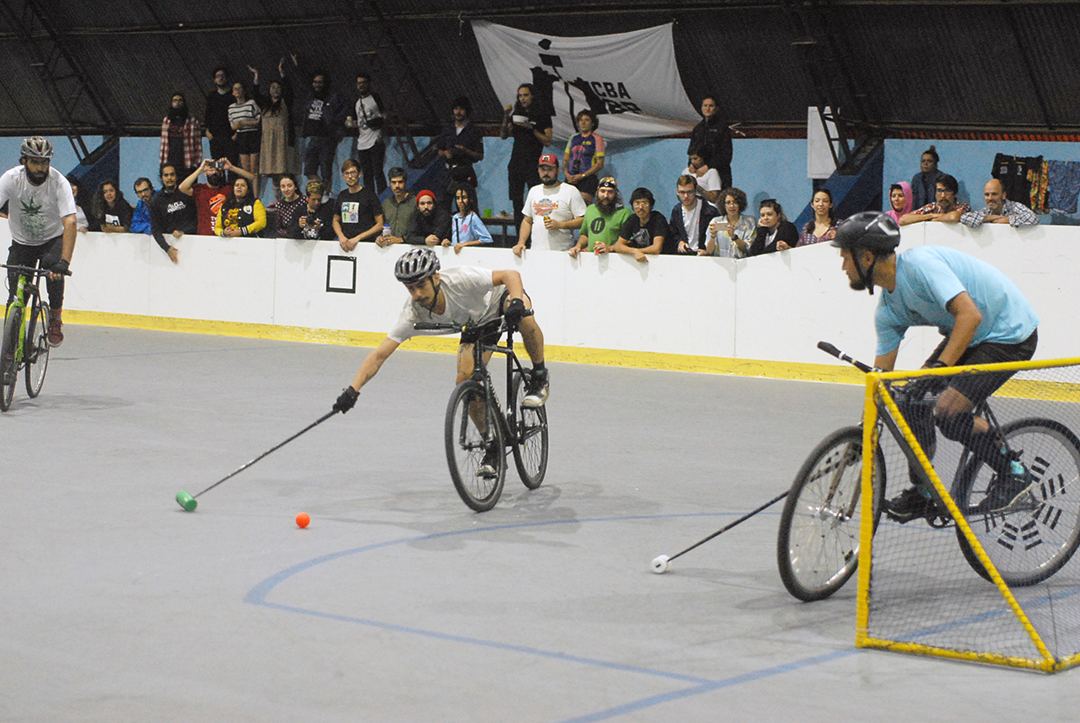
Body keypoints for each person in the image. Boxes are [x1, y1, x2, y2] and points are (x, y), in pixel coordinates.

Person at [832, 211, 1040, 521]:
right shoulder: (888, 311)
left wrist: (939, 367)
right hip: (970, 336)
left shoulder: (921, 266)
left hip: (1007, 332)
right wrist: (863, 432)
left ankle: (1015, 474)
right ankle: (924, 491)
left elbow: (970, 316)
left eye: (846, 257)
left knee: (949, 413)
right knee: (909, 401)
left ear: (867, 256)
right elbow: (880, 382)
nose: (842, 266)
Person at [332, 247, 551, 473]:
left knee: (524, 311)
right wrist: (353, 390)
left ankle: (539, 376)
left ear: (435, 277)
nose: (417, 293)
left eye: (421, 285)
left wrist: (515, 301)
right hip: (476, 323)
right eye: (410, 288)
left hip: (499, 300)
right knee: (466, 381)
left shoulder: (460, 279)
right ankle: (492, 444)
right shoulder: (412, 314)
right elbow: (379, 355)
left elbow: (510, 275)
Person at [0, 137, 77, 346]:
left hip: (51, 240)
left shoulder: (59, 182)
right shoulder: (10, 179)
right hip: (22, 243)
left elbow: (70, 222)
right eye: (35, 162)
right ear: (24, 161)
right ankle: (10, 347)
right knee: (16, 298)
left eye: (44, 162)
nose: (40, 167)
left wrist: (65, 263)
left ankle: (55, 318)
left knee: (54, 271)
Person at [500, 83, 553, 228]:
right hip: (516, 163)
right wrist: (506, 116)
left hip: (533, 164)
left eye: (525, 95)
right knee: (517, 202)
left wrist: (532, 128)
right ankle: (520, 237)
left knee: (536, 200)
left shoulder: (542, 115)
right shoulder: (516, 114)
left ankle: (538, 231)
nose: (522, 98)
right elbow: (503, 135)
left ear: (533, 96)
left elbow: (548, 140)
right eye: (520, 95)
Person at [513, 154, 586, 256]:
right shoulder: (534, 191)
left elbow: (583, 221)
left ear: (558, 170)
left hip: (562, 252)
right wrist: (521, 243)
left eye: (550, 169)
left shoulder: (570, 191)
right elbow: (527, 220)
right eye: (542, 170)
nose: (546, 173)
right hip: (536, 251)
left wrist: (560, 225)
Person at [251, 60, 298, 202]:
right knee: (272, 173)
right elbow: (255, 94)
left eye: (278, 87)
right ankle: (277, 200)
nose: (275, 90)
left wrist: (281, 72)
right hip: (268, 142)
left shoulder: (285, 102)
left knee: (283, 171)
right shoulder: (264, 105)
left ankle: (288, 199)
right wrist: (256, 76)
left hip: (282, 142)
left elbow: (290, 90)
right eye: (273, 87)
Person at [296, 65, 347, 194]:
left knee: (326, 172)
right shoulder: (310, 96)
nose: (317, 85)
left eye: (320, 83)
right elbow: (302, 84)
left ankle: (326, 196)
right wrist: (297, 65)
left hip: (327, 138)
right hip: (313, 138)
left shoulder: (333, 97)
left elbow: (345, 109)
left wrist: (335, 124)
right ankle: (320, 193)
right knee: (309, 170)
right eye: (315, 82)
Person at [180, 158, 256, 236]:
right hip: (205, 236)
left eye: (217, 170)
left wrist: (231, 168)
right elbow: (182, 188)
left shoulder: (228, 188)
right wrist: (200, 169)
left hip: (226, 235)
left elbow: (251, 177)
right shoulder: (200, 189)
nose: (214, 172)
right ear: (206, 173)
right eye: (211, 170)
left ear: (222, 173)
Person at [436, 96, 484, 206]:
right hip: (448, 173)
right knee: (444, 206)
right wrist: (445, 153)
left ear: (467, 111)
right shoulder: (447, 130)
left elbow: (480, 156)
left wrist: (465, 150)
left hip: (465, 171)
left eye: (462, 109)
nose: (458, 112)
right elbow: (439, 150)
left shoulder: (473, 131)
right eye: (456, 109)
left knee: (467, 206)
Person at [569, 177, 630, 258]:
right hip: (592, 260)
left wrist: (610, 248)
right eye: (602, 191)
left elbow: (630, 241)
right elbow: (585, 235)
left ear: (616, 193)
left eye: (610, 192)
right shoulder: (591, 209)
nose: (605, 195)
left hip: (616, 260)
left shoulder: (624, 212)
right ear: (597, 192)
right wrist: (578, 246)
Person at [348, 72, 387, 195]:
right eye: (359, 83)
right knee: (366, 173)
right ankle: (370, 197)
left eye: (364, 83)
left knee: (377, 171)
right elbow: (355, 121)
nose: (361, 86)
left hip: (375, 139)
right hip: (362, 142)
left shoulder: (375, 97)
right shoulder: (356, 101)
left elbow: (385, 115)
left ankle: (382, 196)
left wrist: (380, 134)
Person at [332, 159, 383, 252]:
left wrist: (358, 238)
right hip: (345, 245)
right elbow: (335, 220)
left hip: (366, 245)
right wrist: (341, 237)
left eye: (353, 173)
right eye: (346, 173)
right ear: (343, 176)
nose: (350, 177)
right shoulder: (342, 196)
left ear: (359, 174)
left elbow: (380, 224)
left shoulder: (369, 195)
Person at [149, 164, 197, 263]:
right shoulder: (156, 201)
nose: (169, 178)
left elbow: (196, 218)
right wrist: (166, 248)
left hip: (192, 241)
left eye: (172, 174)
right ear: (161, 178)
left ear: (176, 177)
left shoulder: (185, 195)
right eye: (166, 175)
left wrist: (184, 231)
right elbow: (155, 228)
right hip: (172, 245)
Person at [688, 95, 732, 190]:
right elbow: (691, 151)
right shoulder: (698, 129)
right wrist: (691, 165)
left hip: (720, 173)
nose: (707, 109)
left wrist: (708, 167)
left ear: (716, 108)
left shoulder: (722, 127)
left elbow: (726, 155)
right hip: (700, 174)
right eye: (705, 105)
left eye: (711, 106)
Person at [613, 187, 668, 263]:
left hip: (663, 261)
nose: (640, 207)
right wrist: (634, 251)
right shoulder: (632, 219)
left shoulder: (658, 219)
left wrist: (638, 252)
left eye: (644, 203)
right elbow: (618, 246)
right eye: (637, 203)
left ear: (651, 205)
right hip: (641, 260)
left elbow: (656, 248)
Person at [668, 174, 718, 256]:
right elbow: (673, 233)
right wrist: (679, 242)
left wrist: (707, 251)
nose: (686, 196)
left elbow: (719, 236)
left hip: (706, 257)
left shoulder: (710, 211)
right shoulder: (676, 211)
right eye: (682, 192)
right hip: (685, 256)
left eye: (689, 192)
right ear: (677, 192)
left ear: (695, 191)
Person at [960, 179, 1039, 230]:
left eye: (994, 194)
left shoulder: (1014, 207)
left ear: (1003, 195)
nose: (990, 198)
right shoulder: (985, 212)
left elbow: (1033, 218)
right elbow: (964, 218)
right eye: (987, 195)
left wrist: (1009, 220)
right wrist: (994, 218)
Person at [562, 109, 605, 204]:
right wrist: (567, 174)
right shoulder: (573, 138)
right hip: (571, 178)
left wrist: (583, 176)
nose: (583, 122)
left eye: (587, 120)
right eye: (581, 120)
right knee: (566, 205)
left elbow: (599, 164)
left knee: (582, 204)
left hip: (588, 179)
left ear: (593, 123)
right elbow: (566, 159)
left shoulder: (597, 139)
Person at [158, 92, 203, 181]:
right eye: (175, 100)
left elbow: (198, 144)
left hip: (187, 162)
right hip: (171, 161)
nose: (177, 103)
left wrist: (196, 164)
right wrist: (162, 163)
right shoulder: (167, 121)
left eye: (180, 100)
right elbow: (163, 144)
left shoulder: (192, 121)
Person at [204, 67, 239, 171]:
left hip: (230, 137)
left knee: (232, 165)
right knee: (217, 167)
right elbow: (208, 115)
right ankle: (219, 186)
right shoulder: (211, 96)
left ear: (227, 78)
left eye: (223, 76)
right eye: (218, 76)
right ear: (214, 79)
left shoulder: (233, 97)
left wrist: (236, 134)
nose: (220, 78)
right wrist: (207, 131)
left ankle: (232, 186)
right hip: (215, 137)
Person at [900, 174, 970, 226]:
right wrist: (930, 216)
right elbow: (903, 220)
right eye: (939, 191)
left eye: (947, 191)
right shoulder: (932, 207)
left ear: (955, 193)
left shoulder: (963, 207)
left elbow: (953, 217)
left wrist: (935, 219)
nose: (943, 196)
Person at [706, 187, 756, 258]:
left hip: (742, 263)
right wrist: (713, 236)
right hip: (721, 264)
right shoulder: (716, 221)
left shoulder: (749, 222)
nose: (731, 206)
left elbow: (749, 249)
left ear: (740, 204)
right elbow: (709, 251)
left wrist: (734, 237)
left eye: (735, 202)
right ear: (723, 204)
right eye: (728, 203)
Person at [228, 81, 261, 181]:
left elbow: (259, 120)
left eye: (239, 88)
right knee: (246, 169)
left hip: (252, 135)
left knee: (254, 168)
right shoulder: (231, 108)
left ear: (244, 91)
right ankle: (249, 191)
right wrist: (237, 126)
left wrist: (245, 123)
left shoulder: (251, 103)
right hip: (241, 136)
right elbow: (232, 126)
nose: (237, 91)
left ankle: (256, 194)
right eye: (235, 89)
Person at [447, 185, 493, 254]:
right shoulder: (455, 217)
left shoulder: (473, 217)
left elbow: (486, 239)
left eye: (464, 197)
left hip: (469, 254)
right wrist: (448, 242)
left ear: (470, 199)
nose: (460, 201)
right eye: (458, 198)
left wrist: (465, 244)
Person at [379, 167, 415, 247]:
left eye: (400, 182)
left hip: (409, 247)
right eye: (394, 182)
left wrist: (401, 239)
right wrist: (379, 237)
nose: (397, 186)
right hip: (388, 248)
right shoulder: (386, 204)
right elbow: (381, 226)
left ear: (405, 182)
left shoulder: (415, 202)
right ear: (390, 183)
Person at [910, 145, 944, 210]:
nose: (925, 164)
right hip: (919, 214)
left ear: (935, 164)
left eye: (929, 161)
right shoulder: (917, 179)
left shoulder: (942, 178)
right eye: (923, 161)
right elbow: (914, 201)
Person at [273, 174, 306, 238]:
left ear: (295, 187)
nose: (286, 189)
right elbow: (278, 228)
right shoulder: (280, 205)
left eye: (289, 186)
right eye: (283, 186)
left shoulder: (304, 201)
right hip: (288, 239)